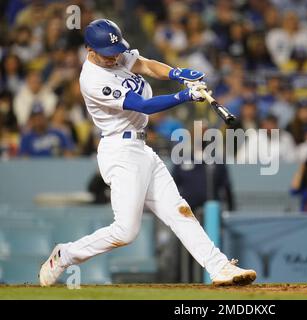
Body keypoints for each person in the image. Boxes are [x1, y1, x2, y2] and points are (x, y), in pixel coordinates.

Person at [39, 19, 256, 287]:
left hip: (141, 148)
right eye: (108, 54)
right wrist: (184, 97)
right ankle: (66, 254)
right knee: (126, 231)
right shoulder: (93, 79)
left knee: (179, 210)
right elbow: (142, 106)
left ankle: (219, 266)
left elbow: (145, 65)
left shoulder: (116, 56)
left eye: (116, 51)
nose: (114, 57)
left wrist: (177, 74)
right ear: (90, 50)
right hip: (120, 150)